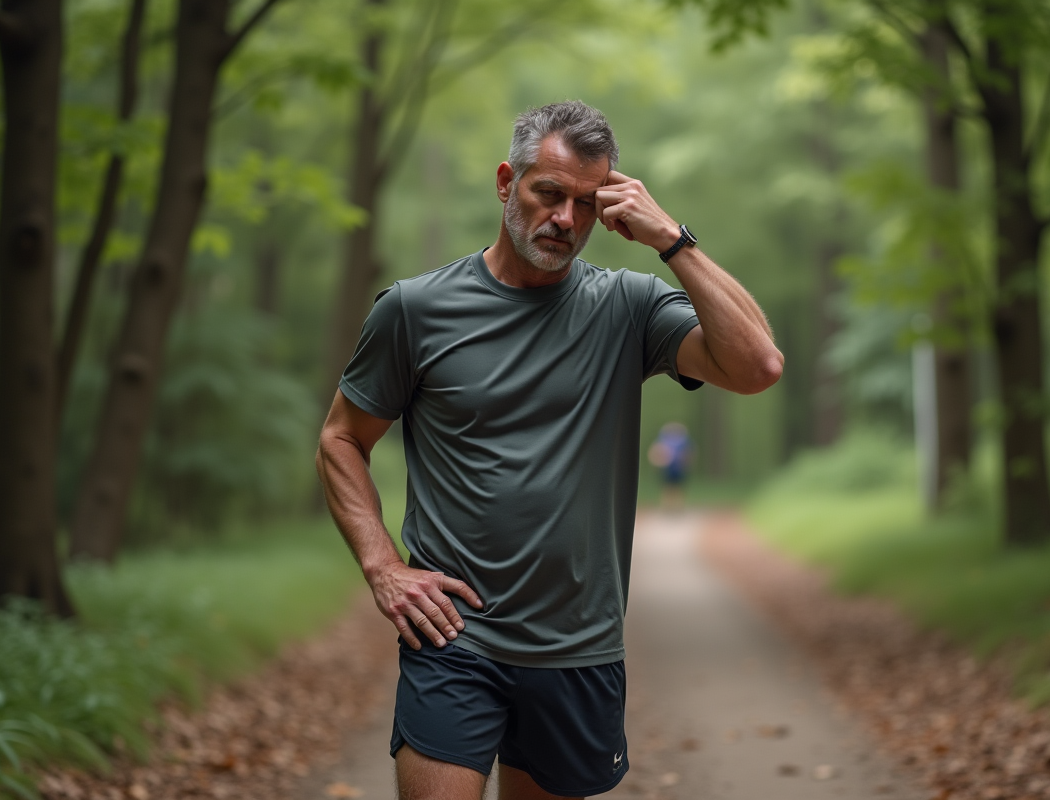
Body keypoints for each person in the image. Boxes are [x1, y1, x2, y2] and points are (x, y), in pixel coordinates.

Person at [315, 100, 783, 800]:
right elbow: (342, 438)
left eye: (587, 204)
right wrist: (382, 565)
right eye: (549, 194)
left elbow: (758, 368)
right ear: (507, 182)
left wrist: (674, 241)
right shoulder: (415, 310)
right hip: (454, 641)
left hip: (578, 650)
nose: (566, 219)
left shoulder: (629, 307)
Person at [647, 422, 693, 510]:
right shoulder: (663, 440)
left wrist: (686, 463)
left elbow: (688, 453)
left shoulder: (683, 441)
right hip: (667, 468)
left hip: (678, 468)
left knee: (678, 487)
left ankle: (678, 506)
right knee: (667, 487)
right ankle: (667, 506)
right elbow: (655, 452)